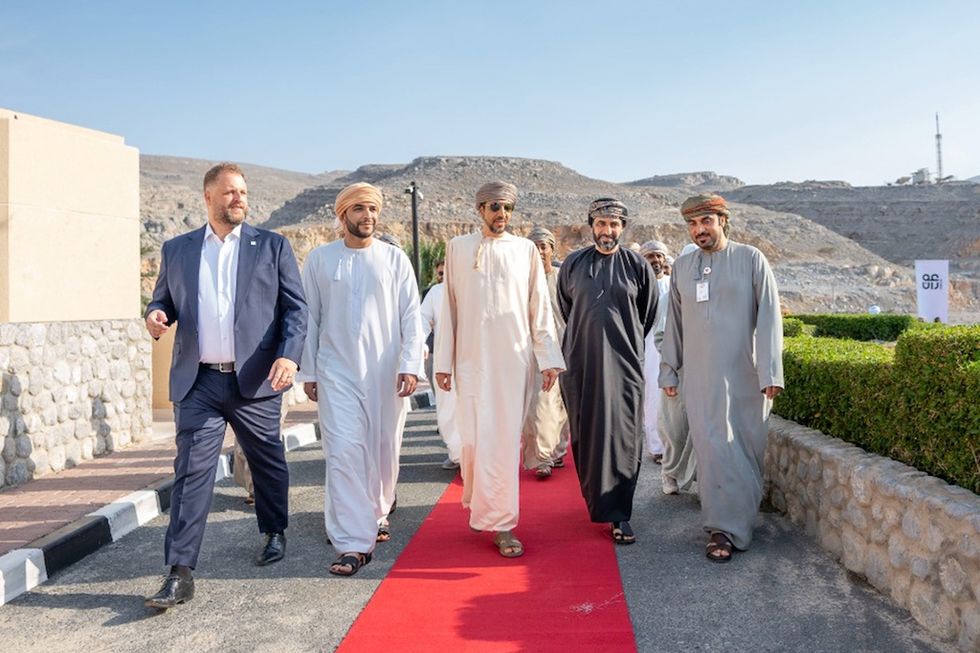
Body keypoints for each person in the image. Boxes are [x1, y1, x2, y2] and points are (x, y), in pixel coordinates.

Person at [143, 163, 307, 609]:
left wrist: (289, 355)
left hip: (255, 379)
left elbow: (296, 310)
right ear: (208, 198)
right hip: (198, 383)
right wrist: (157, 314)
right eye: (230, 192)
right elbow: (164, 299)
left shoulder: (272, 246)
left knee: (267, 461)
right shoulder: (177, 249)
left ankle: (274, 530)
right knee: (191, 473)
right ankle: (179, 572)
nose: (239, 198)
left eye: (244, 192)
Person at [297, 182, 423, 576]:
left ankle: (378, 511)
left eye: (372, 209)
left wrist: (409, 364)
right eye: (359, 210)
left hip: (386, 371)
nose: (367, 216)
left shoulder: (394, 259)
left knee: (385, 449)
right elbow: (309, 318)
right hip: (336, 370)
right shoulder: (320, 259)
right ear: (343, 215)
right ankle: (353, 542)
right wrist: (310, 370)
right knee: (345, 451)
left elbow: (411, 317)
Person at [434, 181, 565, 558]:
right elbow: (450, 308)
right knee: (474, 440)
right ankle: (482, 506)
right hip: (471, 362)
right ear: (480, 210)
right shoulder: (459, 249)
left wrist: (548, 359)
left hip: (513, 361)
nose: (501, 214)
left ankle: (504, 524)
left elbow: (538, 307)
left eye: (507, 207)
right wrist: (444, 361)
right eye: (494, 207)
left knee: (504, 443)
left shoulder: (524, 251)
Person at [660, 193, 783, 563]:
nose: (700, 230)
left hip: (746, 377)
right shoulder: (683, 267)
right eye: (693, 224)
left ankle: (740, 520)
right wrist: (669, 369)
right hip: (700, 378)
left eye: (706, 222)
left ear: (723, 221)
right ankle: (721, 529)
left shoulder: (750, 259)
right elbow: (674, 326)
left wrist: (770, 371)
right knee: (713, 449)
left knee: (743, 449)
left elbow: (770, 318)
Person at [557, 199, 657, 545]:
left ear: (623, 228)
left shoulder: (637, 266)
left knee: (624, 436)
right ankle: (596, 501)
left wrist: (622, 342)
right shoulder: (572, 264)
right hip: (582, 362)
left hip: (624, 364)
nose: (607, 231)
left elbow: (647, 312)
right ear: (591, 226)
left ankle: (619, 514)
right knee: (587, 432)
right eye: (601, 224)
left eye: (614, 225)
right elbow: (567, 308)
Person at [522, 226, 570, 478]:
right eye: (535, 246)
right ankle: (542, 458)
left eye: (544, 246)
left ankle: (557, 451)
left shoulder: (564, 277)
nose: (540, 251)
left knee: (562, 406)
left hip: (566, 346)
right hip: (536, 351)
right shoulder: (521, 281)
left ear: (552, 249)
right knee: (539, 403)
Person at [656, 243, 699, 496]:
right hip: (678, 370)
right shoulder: (667, 298)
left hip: (705, 372)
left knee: (702, 429)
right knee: (677, 428)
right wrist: (678, 359)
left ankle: (701, 478)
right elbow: (661, 336)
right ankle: (669, 474)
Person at [419, 259, 461, 470]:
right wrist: (419, 345)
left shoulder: (477, 286)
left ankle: (473, 456)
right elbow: (422, 321)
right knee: (448, 409)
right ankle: (456, 452)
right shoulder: (435, 292)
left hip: (475, 360)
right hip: (445, 362)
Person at [638, 240, 671, 465]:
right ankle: (657, 447)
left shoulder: (673, 283)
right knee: (652, 396)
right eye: (650, 256)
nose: (656, 260)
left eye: (659, 256)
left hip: (673, 346)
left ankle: (674, 446)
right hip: (648, 347)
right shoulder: (639, 286)